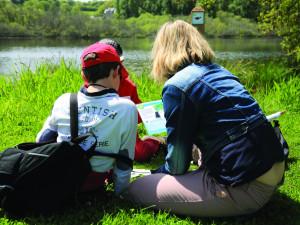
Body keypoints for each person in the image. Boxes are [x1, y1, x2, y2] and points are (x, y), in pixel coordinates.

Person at [127, 20, 286, 217]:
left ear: (162, 52)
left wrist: (158, 173)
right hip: (271, 168)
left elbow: (176, 165)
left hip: (245, 186)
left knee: (137, 188)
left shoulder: (177, 86)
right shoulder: (220, 71)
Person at [36, 42, 138, 196]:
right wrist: (121, 193)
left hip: (60, 177)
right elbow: (124, 161)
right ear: (116, 71)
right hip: (93, 183)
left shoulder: (64, 100)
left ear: (83, 75)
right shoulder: (127, 108)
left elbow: (42, 139)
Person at [85, 38, 165, 162]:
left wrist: (155, 114)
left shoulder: (128, 86)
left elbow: (138, 115)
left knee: (139, 153)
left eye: (118, 64)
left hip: (126, 136)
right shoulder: (89, 89)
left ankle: (158, 142)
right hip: (100, 136)